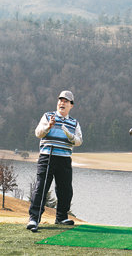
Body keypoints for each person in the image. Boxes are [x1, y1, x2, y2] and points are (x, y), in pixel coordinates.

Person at [27, 90, 83, 230]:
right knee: (41, 188)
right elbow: (38, 133)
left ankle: (61, 217)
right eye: (60, 100)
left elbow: (79, 141)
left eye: (66, 101)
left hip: (64, 159)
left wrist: (70, 136)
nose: (62, 103)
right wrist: (49, 126)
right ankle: (34, 219)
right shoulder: (47, 116)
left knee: (65, 190)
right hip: (47, 157)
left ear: (71, 105)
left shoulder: (74, 123)